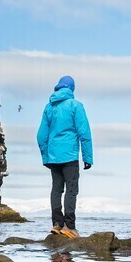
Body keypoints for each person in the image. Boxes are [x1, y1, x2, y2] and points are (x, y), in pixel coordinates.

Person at [36, 75, 93, 238]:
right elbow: (84, 133)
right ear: (72, 89)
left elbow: (41, 135)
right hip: (69, 156)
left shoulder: (49, 107)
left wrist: (46, 157)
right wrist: (87, 157)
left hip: (53, 156)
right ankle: (69, 226)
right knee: (71, 189)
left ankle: (57, 224)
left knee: (56, 189)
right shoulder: (76, 105)